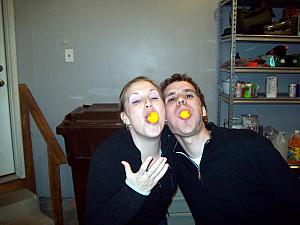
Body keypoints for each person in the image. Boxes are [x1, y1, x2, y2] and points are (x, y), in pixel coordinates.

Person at [161, 73, 300, 225]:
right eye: (172, 98)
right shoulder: (172, 157)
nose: (181, 100)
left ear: (203, 110)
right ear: (165, 119)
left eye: (188, 95)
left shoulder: (251, 145)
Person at [85, 76, 177, 225]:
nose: (148, 103)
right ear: (126, 118)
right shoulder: (107, 157)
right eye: (136, 100)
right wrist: (135, 192)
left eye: (154, 97)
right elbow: (94, 221)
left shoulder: (173, 142)